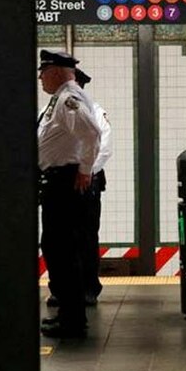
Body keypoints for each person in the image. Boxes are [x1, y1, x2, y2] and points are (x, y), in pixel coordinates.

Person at [37, 50, 102, 338]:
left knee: (63, 251)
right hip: (58, 182)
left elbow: (92, 133)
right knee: (57, 248)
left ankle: (72, 320)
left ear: (54, 72)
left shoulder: (68, 99)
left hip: (65, 183)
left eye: (43, 73)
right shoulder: (62, 98)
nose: (40, 78)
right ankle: (68, 314)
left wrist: (85, 170)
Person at [75, 68, 111, 306]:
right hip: (60, 180)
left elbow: (104, 148)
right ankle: (62, 288)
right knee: (59, 238)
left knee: (86, 236)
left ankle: (89, 288)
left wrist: (85, 172)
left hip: (87, 180)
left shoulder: (95, 112)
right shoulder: (48, 111)